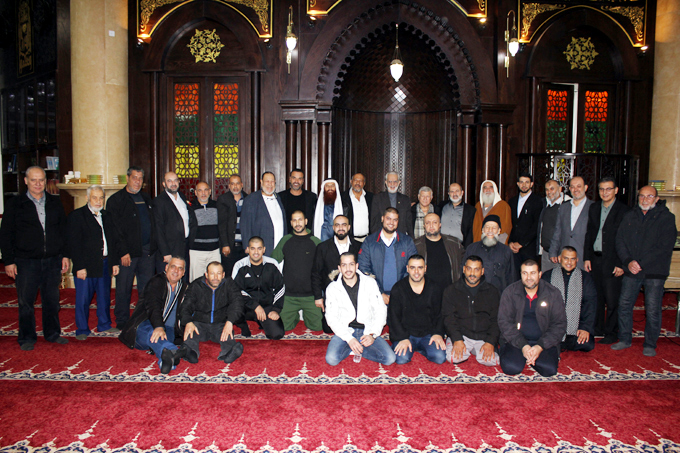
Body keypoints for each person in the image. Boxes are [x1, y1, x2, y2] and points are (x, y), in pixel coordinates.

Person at [0, 166, 70, 350]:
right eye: (33, 180)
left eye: (41, 180)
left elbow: (63, 231)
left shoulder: (55, 202)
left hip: (52, 260)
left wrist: (65, 255)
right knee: (26, 302)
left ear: (46, 181)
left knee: (52, 301)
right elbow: (5, 234)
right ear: (26, 181)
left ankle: (52, 334)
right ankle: (27, 337)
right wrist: (9, 261)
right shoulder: (15, 204)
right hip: (25, 261)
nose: (38, 184)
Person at [612, 185, 677, 357]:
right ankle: (624, 339)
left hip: (654, 271)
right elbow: (619, 240)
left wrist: (639, 263)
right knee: (624, 305)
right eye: (642, 196)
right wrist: (628, 261)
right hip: (631, 270)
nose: (645, 199)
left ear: (656, 199)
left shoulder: (667, 218)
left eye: (649, 196)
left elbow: (664, 247)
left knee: (652, 308)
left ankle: (650, 343)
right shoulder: (629, 216)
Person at [67, 185, 121, 340]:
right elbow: (74, 244)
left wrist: (114, 262)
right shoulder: (77, 216)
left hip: (104, 263)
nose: (98, 201)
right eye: (94, 198)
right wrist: (79, 266)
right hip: (86, 265)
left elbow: (113, 240)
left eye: (101, 198)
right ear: (87, 198)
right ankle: (82, 329)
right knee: (83, 299)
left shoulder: (107, 216)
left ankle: (104, 324)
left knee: (104, 297)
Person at [118, 257, 188, 374]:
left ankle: (165, 362)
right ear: (166, 267)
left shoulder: (184, 288)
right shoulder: (156, 281)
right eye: (173, 266)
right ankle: (173, 350)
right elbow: (153, 305)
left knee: (163, 342)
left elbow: (188, 310)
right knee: (152, 333)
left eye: (180, 268)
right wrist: (158, 326)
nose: (176, 271)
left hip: (168, 329)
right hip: (144, 325)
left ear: (183, 272)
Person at [324, 252, 396, 366]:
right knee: (331, 359)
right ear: (339, 268)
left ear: (357, 266)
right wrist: (349, 339)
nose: (348, 269)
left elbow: (380, 310)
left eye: (351, 264)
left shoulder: (370, 283)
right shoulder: (332, 288)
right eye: (344, 265)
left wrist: (372, 334)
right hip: (345, 330)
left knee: (390, 358)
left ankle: (357, 349)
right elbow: (331, 317)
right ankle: (354, 347)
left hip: (367, 330)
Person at [106, 166, 155, 330]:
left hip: (147, 252)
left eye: (140, 178)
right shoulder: (116, 200)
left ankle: (143, 318)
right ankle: (122, 320)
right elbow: (115, 230)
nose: (138, 182)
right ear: (127, 178)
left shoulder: (146, 198)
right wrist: (123, 252)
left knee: (146, 288)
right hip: (127, 253)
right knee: (124, 287)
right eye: (134, 178)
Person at [498, 259, 567, 377]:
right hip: (516, 341)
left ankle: (531, 356)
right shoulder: (510, 292)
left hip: (543, 341)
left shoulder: (553, 293)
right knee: (511, 368)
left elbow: (559, 324)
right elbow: (504, 322)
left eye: (533, 273)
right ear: (520, 274)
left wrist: (539, 346)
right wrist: (523, 346)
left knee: (549, 370)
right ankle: (526, 356)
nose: (529, 277)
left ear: (540, 274)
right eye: (525, 273)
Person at [583, 177, 629, 344]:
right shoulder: (594, 208)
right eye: (602, 189)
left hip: (613, 260)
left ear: (615, 190)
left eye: (608, 189)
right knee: (597, 296)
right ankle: (598, 328)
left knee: (612, 299)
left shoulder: (624, 211)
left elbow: (626, 239)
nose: (605, 192)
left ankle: (611, 332)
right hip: (595, 259)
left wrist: (621, 263)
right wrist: (587, 257)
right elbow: (589, 234)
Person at [180, 262, 244, 364]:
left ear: (223, 275)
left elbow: (237, 303)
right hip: (200, 323)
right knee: (191, 332)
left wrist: (230, 321)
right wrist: (188, 321)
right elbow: (186, 306)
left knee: (227, 334)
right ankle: (190, 352)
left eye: (218, 273)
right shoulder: (196, 285)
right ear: (206, 274)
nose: (215, 277)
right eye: (212, 273)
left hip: (220, 323)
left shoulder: (229, 284)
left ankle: (229, 353)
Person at [442, 255, 501, 366]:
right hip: (462, 336)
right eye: (469, 269)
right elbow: (448, 318)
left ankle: (476, 350)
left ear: (482, 271)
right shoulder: (451, 290)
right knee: (453, 358)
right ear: (464, 269)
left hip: (483, 337)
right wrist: (457, 339)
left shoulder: (492, 292)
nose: (472, 273)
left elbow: (496, 320)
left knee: (493, 361)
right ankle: (460, 346)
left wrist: (490, 342)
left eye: (476, 269)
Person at [388, 255, 446, 364]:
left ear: (425, 268)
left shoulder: (434, 288)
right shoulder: (398, 288)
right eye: (413, 267)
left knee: (439, 357)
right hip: (406, 334)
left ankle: (419, 348)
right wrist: (402, 337)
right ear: (407, 268)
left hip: (428, 334)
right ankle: (413, 347)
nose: (416, 272)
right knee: (401, 359)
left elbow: (440, 314)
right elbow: (393, 317)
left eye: (420, 267)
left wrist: (437, 333)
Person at [272, 210, 323, 331]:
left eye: (300, 220)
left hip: (310, 296)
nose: (297, 223)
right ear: (291, 223)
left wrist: (320, 294)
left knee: (318, 327)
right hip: (289, 295)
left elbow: (323, 267)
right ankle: (294, 316)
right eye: (294, 220)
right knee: (283, 328)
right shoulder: (285, 240)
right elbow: (272, 261)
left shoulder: (315, 241)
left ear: (306, 221)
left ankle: (307, 315)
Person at [312, 215, 361, 333]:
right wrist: (318, 297)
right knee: (328, 329)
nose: (341, 228)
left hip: (354, 293)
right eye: (337, 225)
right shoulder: (322, 247)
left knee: (358, 325)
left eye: (344, 225)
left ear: (349, 227)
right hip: (332, 295)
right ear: (333, 228)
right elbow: (316, 273)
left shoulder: (358, 246)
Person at [542, 247, 597, 352]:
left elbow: (590, 305)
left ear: (577, 260)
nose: (569, 262)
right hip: (552, 327)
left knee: (587, 345)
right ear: (559, 259)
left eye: (572, 259)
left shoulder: (585, 278)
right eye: (566, 258)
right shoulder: (548, 276)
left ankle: (561, 343)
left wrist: (585, 328)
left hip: (575, 328)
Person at [358, 207, 417, 305]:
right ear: (382, 218)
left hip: (402, 295)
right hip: (375, 296)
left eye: (395, 220)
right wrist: (379, 292)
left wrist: (400, 290)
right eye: (388, 218)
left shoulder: (407, 241)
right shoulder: (369, 242)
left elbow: (414, 267)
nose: (391, 222)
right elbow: (363, 269)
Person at [232, 236, 285, 339]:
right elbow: (236, 290)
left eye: (259, 248)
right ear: (248, 249)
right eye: (253, 248)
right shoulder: (240, 265)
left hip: (266, 306)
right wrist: (255, 306)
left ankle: (261, 320)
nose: (256, 252)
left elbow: (280, 287)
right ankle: (242, 324)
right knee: (227, 310)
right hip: (245, 307)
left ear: (264, 249)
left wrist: (275, 309)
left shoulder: (272, 264)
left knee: (277, 334)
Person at [153, 171, 196, 277]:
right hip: (169, 249)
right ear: (164, 184)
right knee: (169, 279)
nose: (173, 183)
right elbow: (158, 228)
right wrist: (165, 252)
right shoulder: (159, 201)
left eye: (175, 180)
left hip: (184, 247)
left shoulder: (182, 197)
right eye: (169, 181)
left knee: (183, 279)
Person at [549, 176, 593, 269]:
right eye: (572, 187)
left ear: (585, 188)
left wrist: (589, 258)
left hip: (583, 257)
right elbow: (557, 231)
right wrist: (553, 251)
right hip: (564, 256)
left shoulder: (593, 207)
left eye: (579, 186)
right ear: (569, 189)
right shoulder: (563, 207)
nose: (575, 189)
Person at [464, 215, 516, 293]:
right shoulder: (471, 249)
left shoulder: (506, 251)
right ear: (482, 230)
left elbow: (511, 278)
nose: (490, 230)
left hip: (498, 295)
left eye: (494, 228)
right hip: (475, 295)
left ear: (499, 231)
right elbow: (463, 272)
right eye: (487, 227)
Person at [414, 213, 464, 291]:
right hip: (426, 292)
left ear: (440, 225)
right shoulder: (416, 245)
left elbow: (464, 264)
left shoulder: (454, 243)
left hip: (450, 291)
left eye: (434, 222)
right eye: (428, 223)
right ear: (424, 226)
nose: (431, 226)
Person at [241, 171, 287, 256]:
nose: (270, 184)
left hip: (279, 248)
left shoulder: (278, 198)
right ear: (261, 182)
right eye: (267, 181)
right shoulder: (251, 199)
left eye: (272, 181)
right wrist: (247, 245)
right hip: (260, 249)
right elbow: (245, 225)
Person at [508, 173, 543, 269]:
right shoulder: (512, 201)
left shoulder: (538, 201)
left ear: (531, 184)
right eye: (521, 182)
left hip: (529, 249)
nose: (524, 185)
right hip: (513, 248)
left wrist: (521, 243)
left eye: (527, 182)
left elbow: (536, 226)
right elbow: (509, 224)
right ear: (518, 184)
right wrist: (510, 242)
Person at [187, 181, 221, 281]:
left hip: (214, 250)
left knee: (215, 280)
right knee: (197, 281)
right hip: (196, 251)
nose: (203, 193)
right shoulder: (190, 207)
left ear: (210, 191)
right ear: (195, 192)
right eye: (200, 190)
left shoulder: (217, 206)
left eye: (206, 190)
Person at [216, 174, 248, 276]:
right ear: (229, 186)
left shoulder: (248, 199)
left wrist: (249, 244)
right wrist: (225, 244)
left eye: (237, 183)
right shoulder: (223, 199)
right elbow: (222, 224)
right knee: (229, 276)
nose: (235, 186)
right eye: (232, 184)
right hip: (230, 246)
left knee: (243, 275)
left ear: (242, 185)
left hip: (244, 246)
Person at [537, 179, 569, 271]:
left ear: (560, 189)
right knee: (546, 278)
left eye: (552, 189)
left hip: (559, 254)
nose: (549, 192)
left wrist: (559, 252)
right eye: (547, 189)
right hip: (545, 252)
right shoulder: (544, 204)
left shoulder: (567, 205)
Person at [370, 171, 413, 237]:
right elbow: (374, 222)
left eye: (395, 181)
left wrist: (411, 238)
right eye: (390, 181)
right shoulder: (378, 198)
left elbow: (409, 222)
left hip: (400, 238)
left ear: (399, 182)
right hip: (382, 237)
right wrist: (376, 238)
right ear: (386, 182)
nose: (392, 184)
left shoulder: (405, 200)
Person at [440, 182, 475, 247]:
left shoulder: (470, 210)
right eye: (452, 191)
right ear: (448, 193)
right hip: (441, 245)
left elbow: (470, 232)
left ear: (462, 192)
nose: (455, 194)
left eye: (457, 191)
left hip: (459, 247)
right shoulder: (442, 206)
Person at [340, 173, 373, 242]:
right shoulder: (342, 197)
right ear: (351, 182)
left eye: (360, 181)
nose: (358, 183)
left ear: (364, 183)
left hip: (367, 239)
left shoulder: (371, 197)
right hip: (349, 239)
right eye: (355, 180)